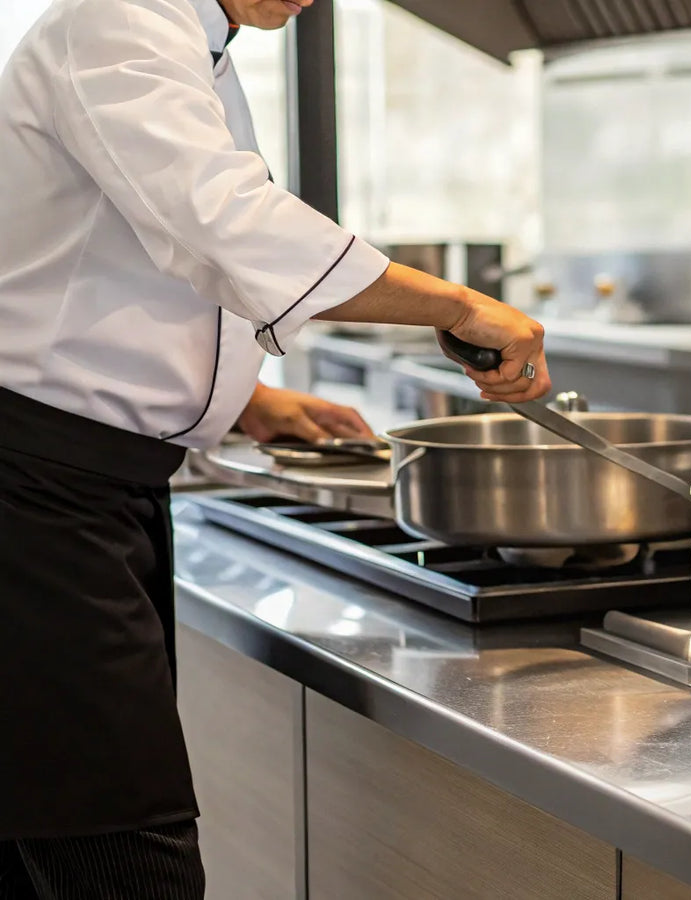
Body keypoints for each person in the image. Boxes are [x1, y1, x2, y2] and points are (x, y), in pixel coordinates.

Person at [0, 0, 552, 893]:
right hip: (35, 500)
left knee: (51, 835)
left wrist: (247, 399)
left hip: (79, 488)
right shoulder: (117, 19)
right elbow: (223, 222)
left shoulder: (190, 39)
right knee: (120, 850)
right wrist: (455, 305)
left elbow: (105, 261)